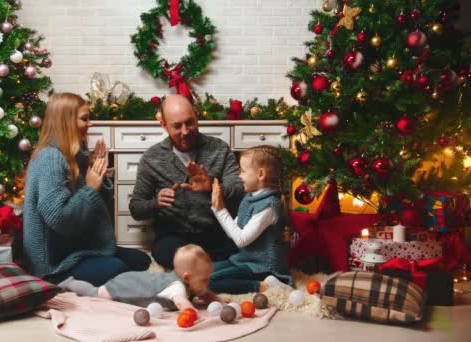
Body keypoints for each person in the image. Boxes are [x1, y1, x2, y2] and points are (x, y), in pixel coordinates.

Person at [23, 92, 150, 286]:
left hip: (78, 247)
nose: (90, 124)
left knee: (142, 260)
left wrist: (100, 174)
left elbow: (97, 205)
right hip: (55, 265)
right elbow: (61, 219)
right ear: (66, 122)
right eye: (84, 119)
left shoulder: (73, 155)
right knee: (118, 269)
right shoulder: (50, 158)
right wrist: (90, 187)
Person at [129, 94, 245, 269]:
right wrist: (156, 203)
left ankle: (206, 271)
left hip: (215, 234)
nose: (185, 131)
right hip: (173, 237)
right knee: (181, 257)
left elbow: (240, 190)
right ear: (164, 125)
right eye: (177, 126)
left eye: (189, 122)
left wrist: (212, 188)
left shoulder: (219, 149)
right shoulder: (151, 158)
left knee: (240, 255)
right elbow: (136, 208)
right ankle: (206, 270)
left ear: (197, 116)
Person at [208, 145, 292, 294]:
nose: (239, 175)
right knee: (203, 273)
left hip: (263, 267)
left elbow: (241, 240)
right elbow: (233, 233)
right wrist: (217, 207)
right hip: (244, 259)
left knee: (210, 282)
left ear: (260, 174)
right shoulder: (249, 198)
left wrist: (221, 210)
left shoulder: (268, 206)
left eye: (243, 171)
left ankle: (264, 286)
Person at [59, 244, 217, 311]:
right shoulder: (177, 288)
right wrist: (192, 313)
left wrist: (219, 301)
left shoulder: (192, 284)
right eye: (204, 280)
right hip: (124, 287)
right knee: (95, 292)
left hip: (134, 279)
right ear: (187, 277)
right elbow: (183, 304)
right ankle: (70, 282)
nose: (207, 284)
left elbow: (205, 293)